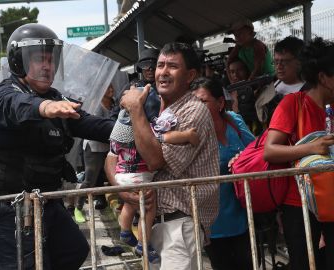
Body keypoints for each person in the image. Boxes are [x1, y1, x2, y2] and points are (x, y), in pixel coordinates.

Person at [0, 23, 114, 269]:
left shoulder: (57, 99)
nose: (46, 66)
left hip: (41, 199)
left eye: (50, 59)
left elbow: (93, 124)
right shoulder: (1, 95)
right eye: (38, 59)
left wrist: (134, 126)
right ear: (18, 62)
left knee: (73, 249)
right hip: (2, 205)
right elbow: (18, 105)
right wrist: (44, 108)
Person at [106, 42, 220, 270]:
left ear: (190, 75)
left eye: (173, 66)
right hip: (151, 225)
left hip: (179, 224)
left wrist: (136, 110)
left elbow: (155, 160)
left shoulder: (193, 110)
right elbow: (112, 154)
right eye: (160, 65)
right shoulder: (150, 105)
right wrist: (122, 188)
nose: (163, 72)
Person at [264, 37, 334, 270]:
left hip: (332, 202)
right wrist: (311, 148)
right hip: (299, 203)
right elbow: (270, 150)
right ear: (324, 78)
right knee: (304, 263)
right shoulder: (292, 104)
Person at [109, 83, 199, 263]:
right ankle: (144, 243)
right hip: (141, 177)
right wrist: (187, 135)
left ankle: (125, 231)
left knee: (129, 205)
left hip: (122, 176)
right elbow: (166, 137)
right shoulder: (146, 130)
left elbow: (112, 154)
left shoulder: (118, 133)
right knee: (148, 210)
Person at [191, 77, 255, 270]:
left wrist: (242, 159)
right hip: (213, 222)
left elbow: (256, 149)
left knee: (248, 264)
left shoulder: (234, 121)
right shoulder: (192, 135)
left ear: (220, 103)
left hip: (245, 213)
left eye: (203, 102)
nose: (196, 108)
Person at [74, 84, 115, 223]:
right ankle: (78, 208)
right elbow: (93, 129)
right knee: (89, 180)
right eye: (108, 88)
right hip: (93, 147)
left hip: (108, 147)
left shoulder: (113, 104)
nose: (111, 90)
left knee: (114, 176)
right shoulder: (96, 106)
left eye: (112, 88)